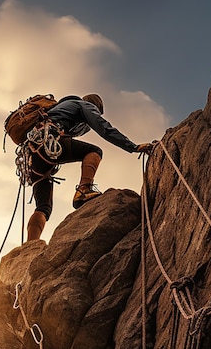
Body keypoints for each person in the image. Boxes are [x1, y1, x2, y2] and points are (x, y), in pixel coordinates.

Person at [24, 94, 156, 241]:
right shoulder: (83, 105)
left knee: (43, 207)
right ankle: (83, 190)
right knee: (94, 152)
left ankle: (29, 246)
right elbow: (103, 127)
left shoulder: (56, 110)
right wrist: (133, 147)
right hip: (48, 140)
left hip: (32, 154)